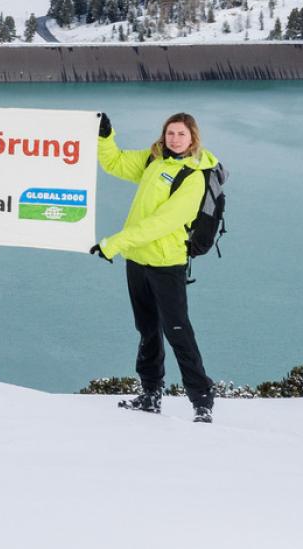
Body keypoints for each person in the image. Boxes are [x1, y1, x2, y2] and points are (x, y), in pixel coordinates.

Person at [91, 111, 220, 422]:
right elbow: (115, 163)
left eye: (181, 134)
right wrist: (105, 136)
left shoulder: (193, 176)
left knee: (177, 331)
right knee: (147, 330)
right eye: (170, 133)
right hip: (137, 261)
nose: (175, 139)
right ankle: (151, 394)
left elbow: (163, 223)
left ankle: (201, 401)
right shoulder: (154, 161)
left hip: (166, 263)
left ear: (193, 138)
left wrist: (116, 243)